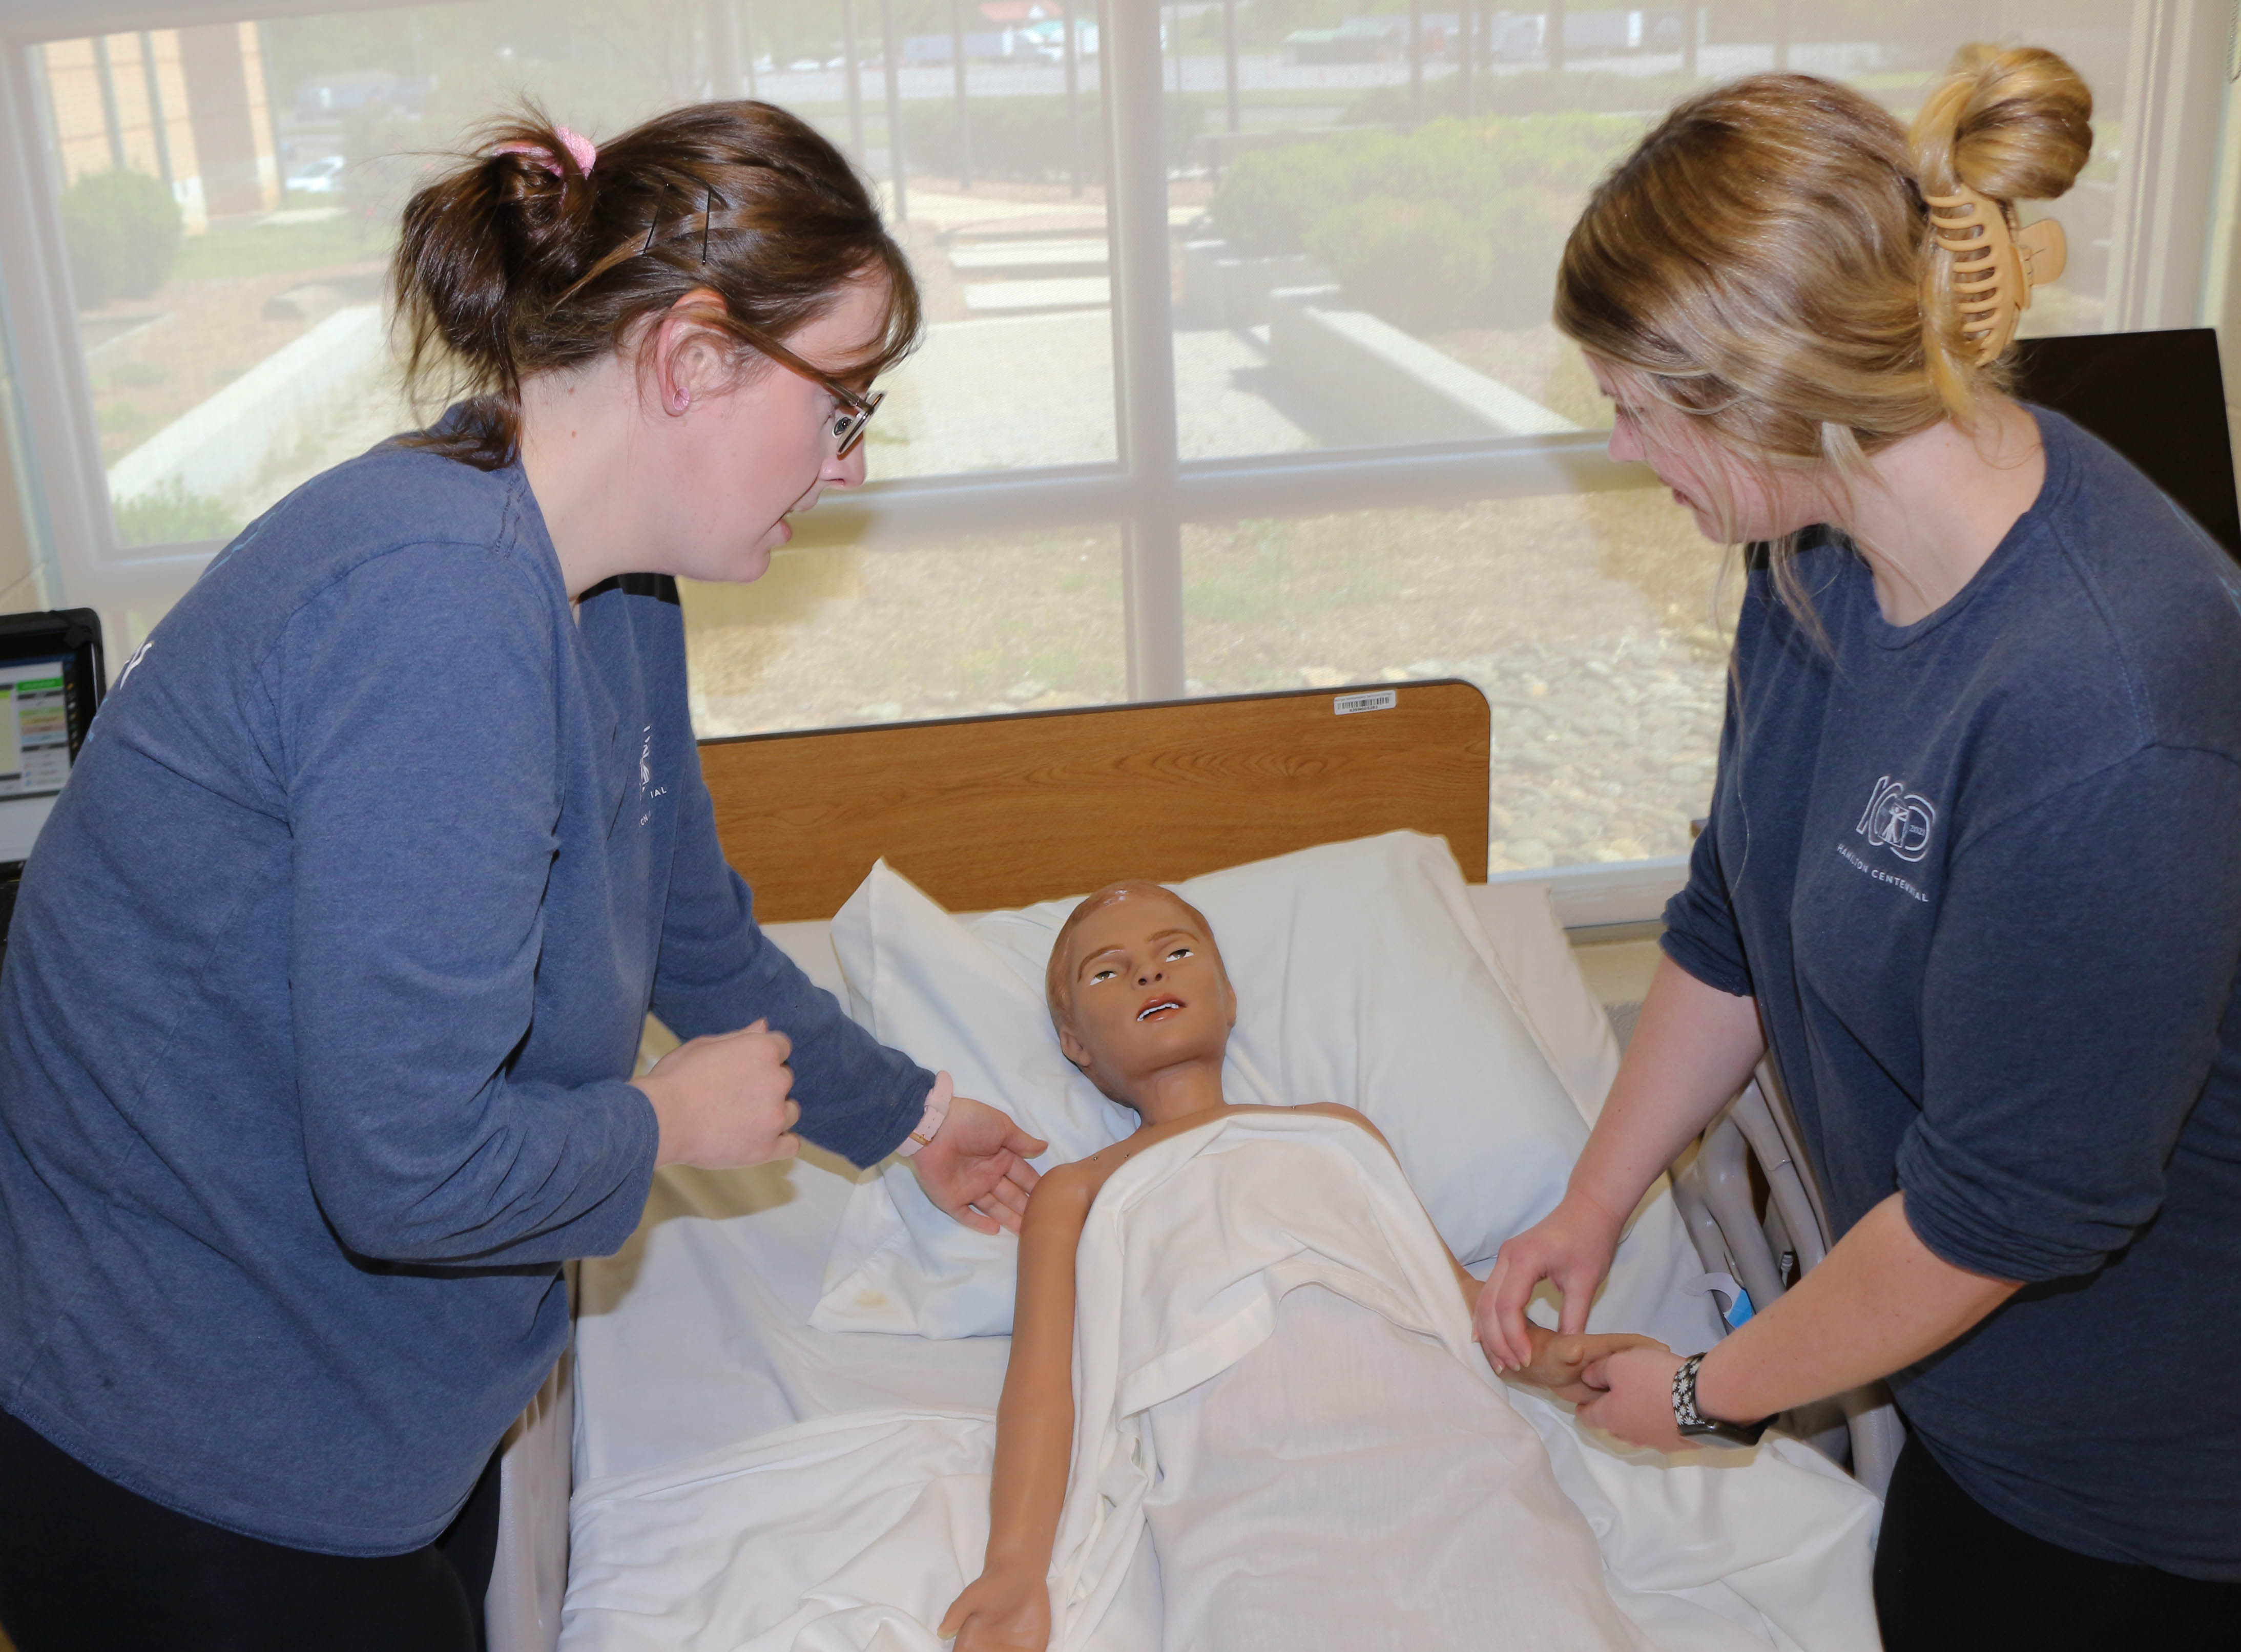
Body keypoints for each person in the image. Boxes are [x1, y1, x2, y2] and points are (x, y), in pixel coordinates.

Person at [0, 103, 1045, 1651]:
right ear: (694, 358)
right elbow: (406, 1165)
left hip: (374, 1399)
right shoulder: (434, 612)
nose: (850, 461)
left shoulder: (608, 585)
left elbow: (685, 927)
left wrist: (915, 1117)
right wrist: (660, 1124)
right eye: (842, 404)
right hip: (180, 1440)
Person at [1472, 44, 2241, 1648]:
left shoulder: (2108, 710)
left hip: (2153, 1487)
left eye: (1628, 409)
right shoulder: (1811, 553)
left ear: (1765, 397)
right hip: (1981, 1403)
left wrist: (1706, 1391)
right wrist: (1592, 1202)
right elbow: (1726, 918)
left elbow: (2003, 1214)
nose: (1620, 454)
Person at [941, 881, 1658, 1652]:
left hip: (1443, 1448)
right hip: (1245, 1484)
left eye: (1176, 952)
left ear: (1229, 996)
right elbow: (1044, 1390)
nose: (1150, 974)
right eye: (1108, 972)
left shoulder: (1335, 1132)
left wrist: (1551, 1355)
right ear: (1074, 1041)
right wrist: (1015, 1563)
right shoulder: (1077, 1191)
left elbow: (1453, 1298)